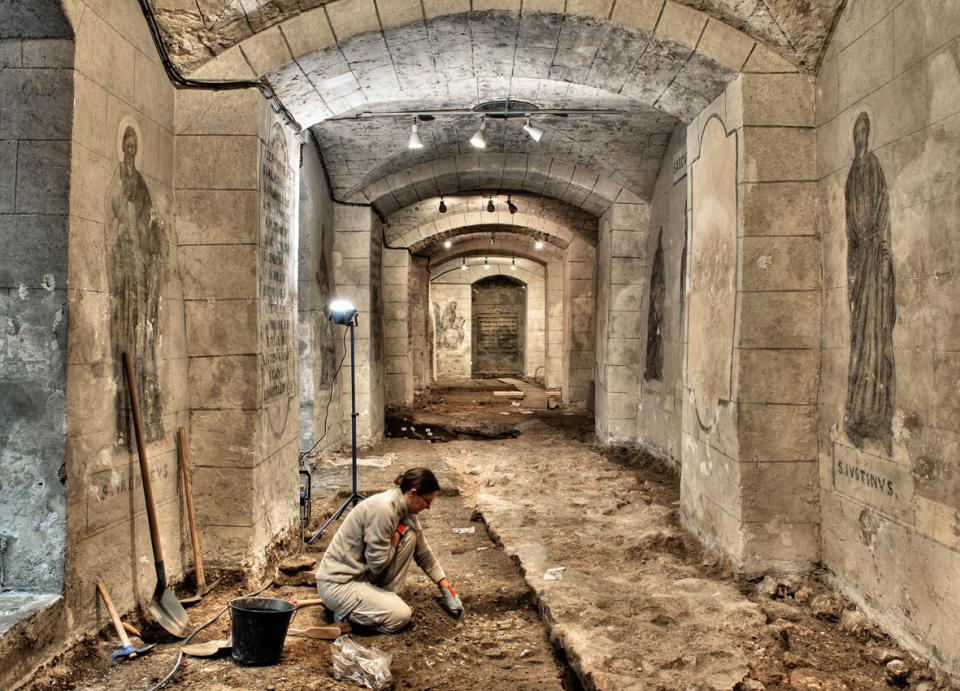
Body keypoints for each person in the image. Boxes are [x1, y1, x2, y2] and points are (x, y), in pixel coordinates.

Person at [315, 468, 463, 633]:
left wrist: (446, 587)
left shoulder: (406, 509)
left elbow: (424, 552)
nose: (428, 507)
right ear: (413, 493)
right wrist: (397, 535)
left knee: (411, 534)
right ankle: (348, 616)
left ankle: (379, 602)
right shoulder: (383, 509)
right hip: (339, 585)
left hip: (361, 575)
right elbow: (377, 565)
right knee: (401, 616)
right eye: (427, 501)